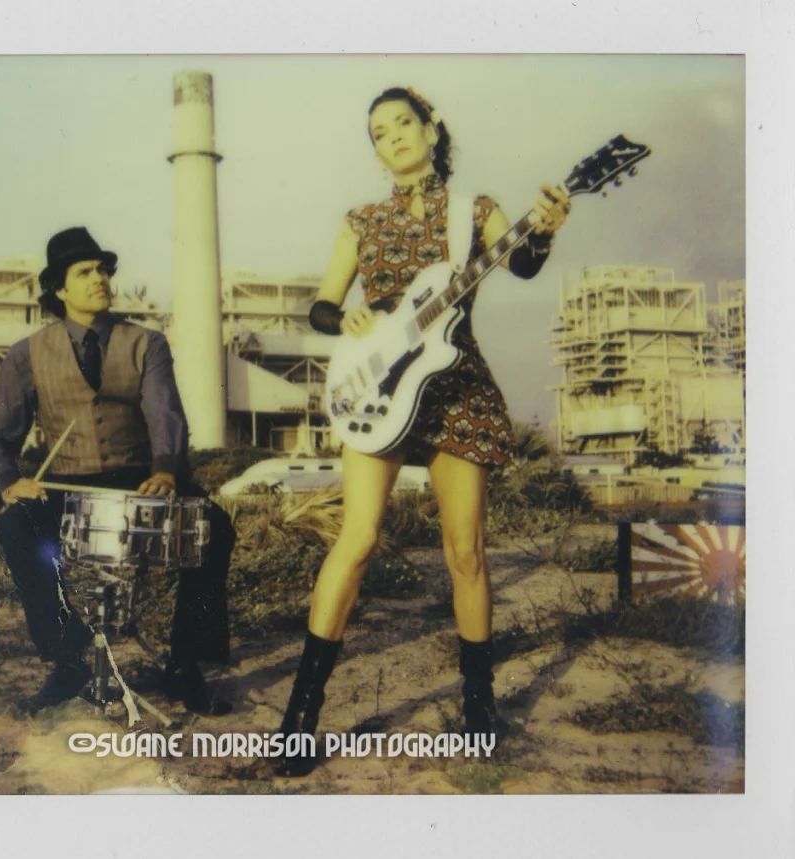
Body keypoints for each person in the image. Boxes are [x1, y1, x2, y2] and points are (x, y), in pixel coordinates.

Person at [275, 87, 571, 775]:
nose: (394, 138)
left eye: (404, 123)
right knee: (357, 540)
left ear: (431, 128)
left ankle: (478, 713)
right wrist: (342, 318)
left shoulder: (477, 212)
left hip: (455, 386)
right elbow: (321, 305)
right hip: (378, 384)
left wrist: (545, 228)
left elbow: (523, 262)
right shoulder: (361, 221)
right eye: (379, 133)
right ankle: (298, 720)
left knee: (465, 551)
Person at [0, 226, 234, 716]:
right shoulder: (26, 353)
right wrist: (8, 482)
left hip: (140, 480)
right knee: (15, 526)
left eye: (102, 270)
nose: (99, 279)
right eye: (84, 272)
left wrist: (166, 470)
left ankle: (185, 665)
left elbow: (164, 412)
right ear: (59, 288)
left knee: (214, 527)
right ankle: (68, 657)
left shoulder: (147, 342)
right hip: (67, 485)